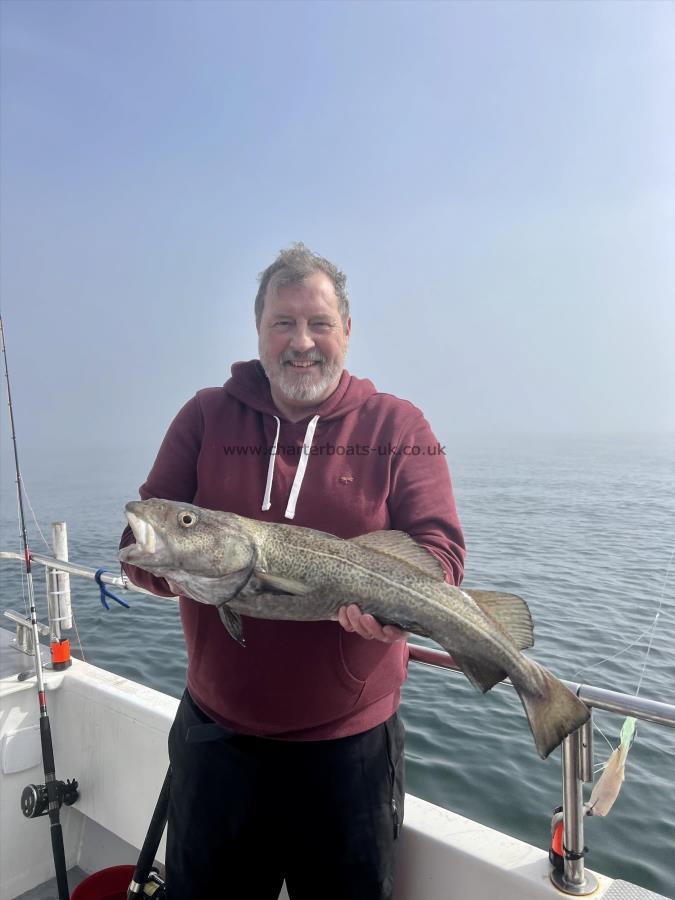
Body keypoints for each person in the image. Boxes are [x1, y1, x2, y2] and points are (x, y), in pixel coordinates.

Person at [120, 243, 465, 900]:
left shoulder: (397, 426)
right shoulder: (204, 415)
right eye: (282, 323)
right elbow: (142, 535)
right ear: (258, 331)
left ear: (346, 332)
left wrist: (396, 609)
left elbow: (439, 553)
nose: (300, 343)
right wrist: (175, 570)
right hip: (215, 740)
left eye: (318, 324)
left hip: (349, 753)